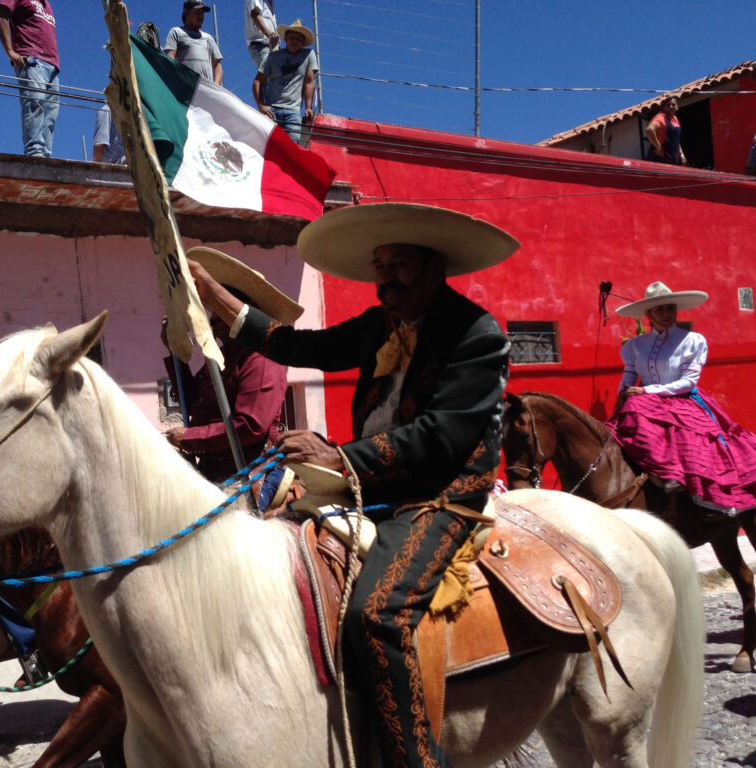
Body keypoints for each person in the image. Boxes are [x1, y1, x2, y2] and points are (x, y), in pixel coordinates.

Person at [188, 203, 518, 768]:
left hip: (439, 493)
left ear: (435, 267)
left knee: (374, 613)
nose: (384, 274)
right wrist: (216, 298)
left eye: (399, 263)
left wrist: (340, 458)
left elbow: (440, 436)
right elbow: (300, 347)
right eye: (379, 263)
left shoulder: (476, 333)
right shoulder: (377, 326)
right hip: (366, 481)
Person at [608, 281, 756, 516]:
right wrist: (620, 397)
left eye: (670, 308)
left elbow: (688, 382)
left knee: (697, 442)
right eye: (660, 309)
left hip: (681, 400)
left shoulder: (692, 340)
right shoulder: (636, 345)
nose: (666, 314)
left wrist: (646, 391)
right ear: (649, 314)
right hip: (642, 402)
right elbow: (629, 376)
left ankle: (676, 477)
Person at [162, 246, 298, 491]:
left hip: (251, 474)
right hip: (214, 470)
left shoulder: (262, 358)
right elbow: (195, 402)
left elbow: (250, 426)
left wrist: (189, 438)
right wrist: (175, 350)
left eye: (218, 315)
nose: (212, 323)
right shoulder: (222, 357)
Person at [0, 0, 59, 158]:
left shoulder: (47, 6)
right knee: (34, 104)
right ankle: (34, 152)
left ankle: (46, 155)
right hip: (32, 60)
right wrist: (11, 52)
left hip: (52, 65)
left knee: (50, 114)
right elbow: (0, 15)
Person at [253, 19, 318, 144]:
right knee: (269, 145)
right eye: (292, 37)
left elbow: (309, 82)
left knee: (292, 145)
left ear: (303, 42)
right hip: (271, 109)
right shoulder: (272, 57)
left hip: (293, 111)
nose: (294, 41)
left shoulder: (309, 55)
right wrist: (261, 105)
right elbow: (257, 82)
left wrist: (308, 107)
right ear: (286, 39)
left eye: (298, 39)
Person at [164, 1, 223, 86]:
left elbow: (217, 65)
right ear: (186, 13)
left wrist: (216, 85)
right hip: (185, 89)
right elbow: (170, 58)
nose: (200, 16)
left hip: (206, 90)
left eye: (202, 14)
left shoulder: (208, 38)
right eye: (197, 13)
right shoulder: (177, 32)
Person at [645, 96, 685, 165]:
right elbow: (649, 130)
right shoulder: (661, 118)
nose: (671, 107)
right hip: (661, 159)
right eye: (668, 105)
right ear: (664, 107)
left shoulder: (675, 119)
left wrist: (681, 154)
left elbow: (675, 139)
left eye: (673, 105)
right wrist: (658, 146)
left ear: (677, 107)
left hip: (673, 159)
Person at [245, 0, 279, 69]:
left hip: (271, 45)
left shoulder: (269, 4)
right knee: (270, 73)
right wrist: (269, 35)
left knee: (276, 74)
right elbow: (255, 14)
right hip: (261, 44)